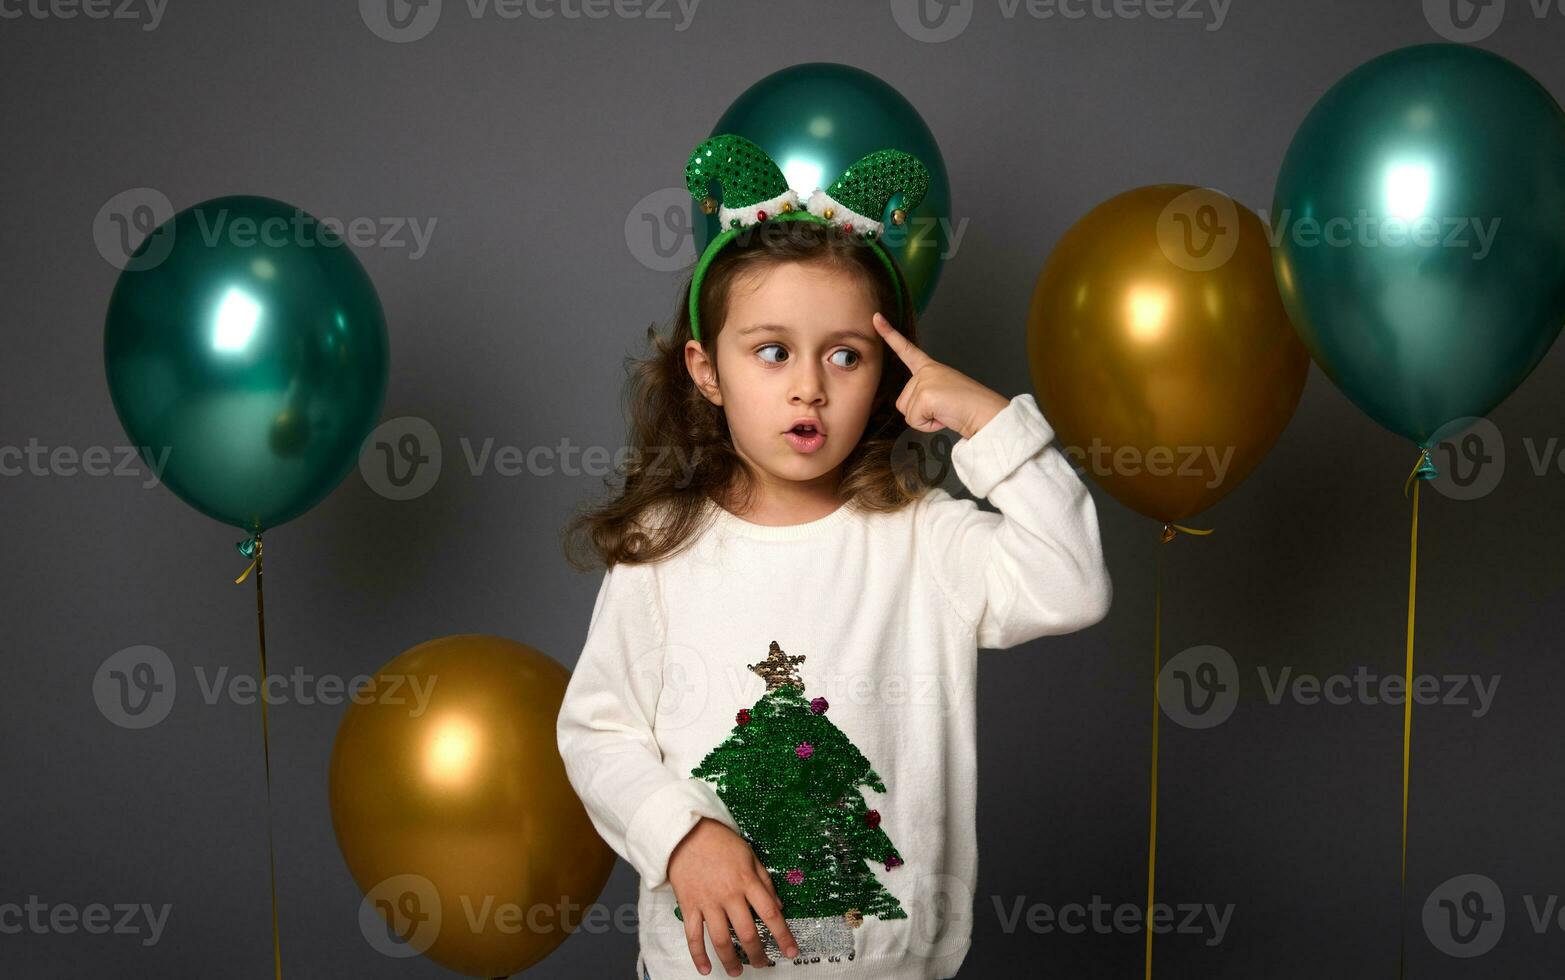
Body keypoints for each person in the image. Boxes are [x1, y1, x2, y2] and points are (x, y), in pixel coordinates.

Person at [557, 135, 1113, 979]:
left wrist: (991, 423)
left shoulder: (924, 539)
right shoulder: (660, 552)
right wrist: (680, 836)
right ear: (707, 372)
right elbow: (598, 732)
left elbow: (1071, 584)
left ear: (886, 373)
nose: (808, 386)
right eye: (772, 351)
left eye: (845, 355)